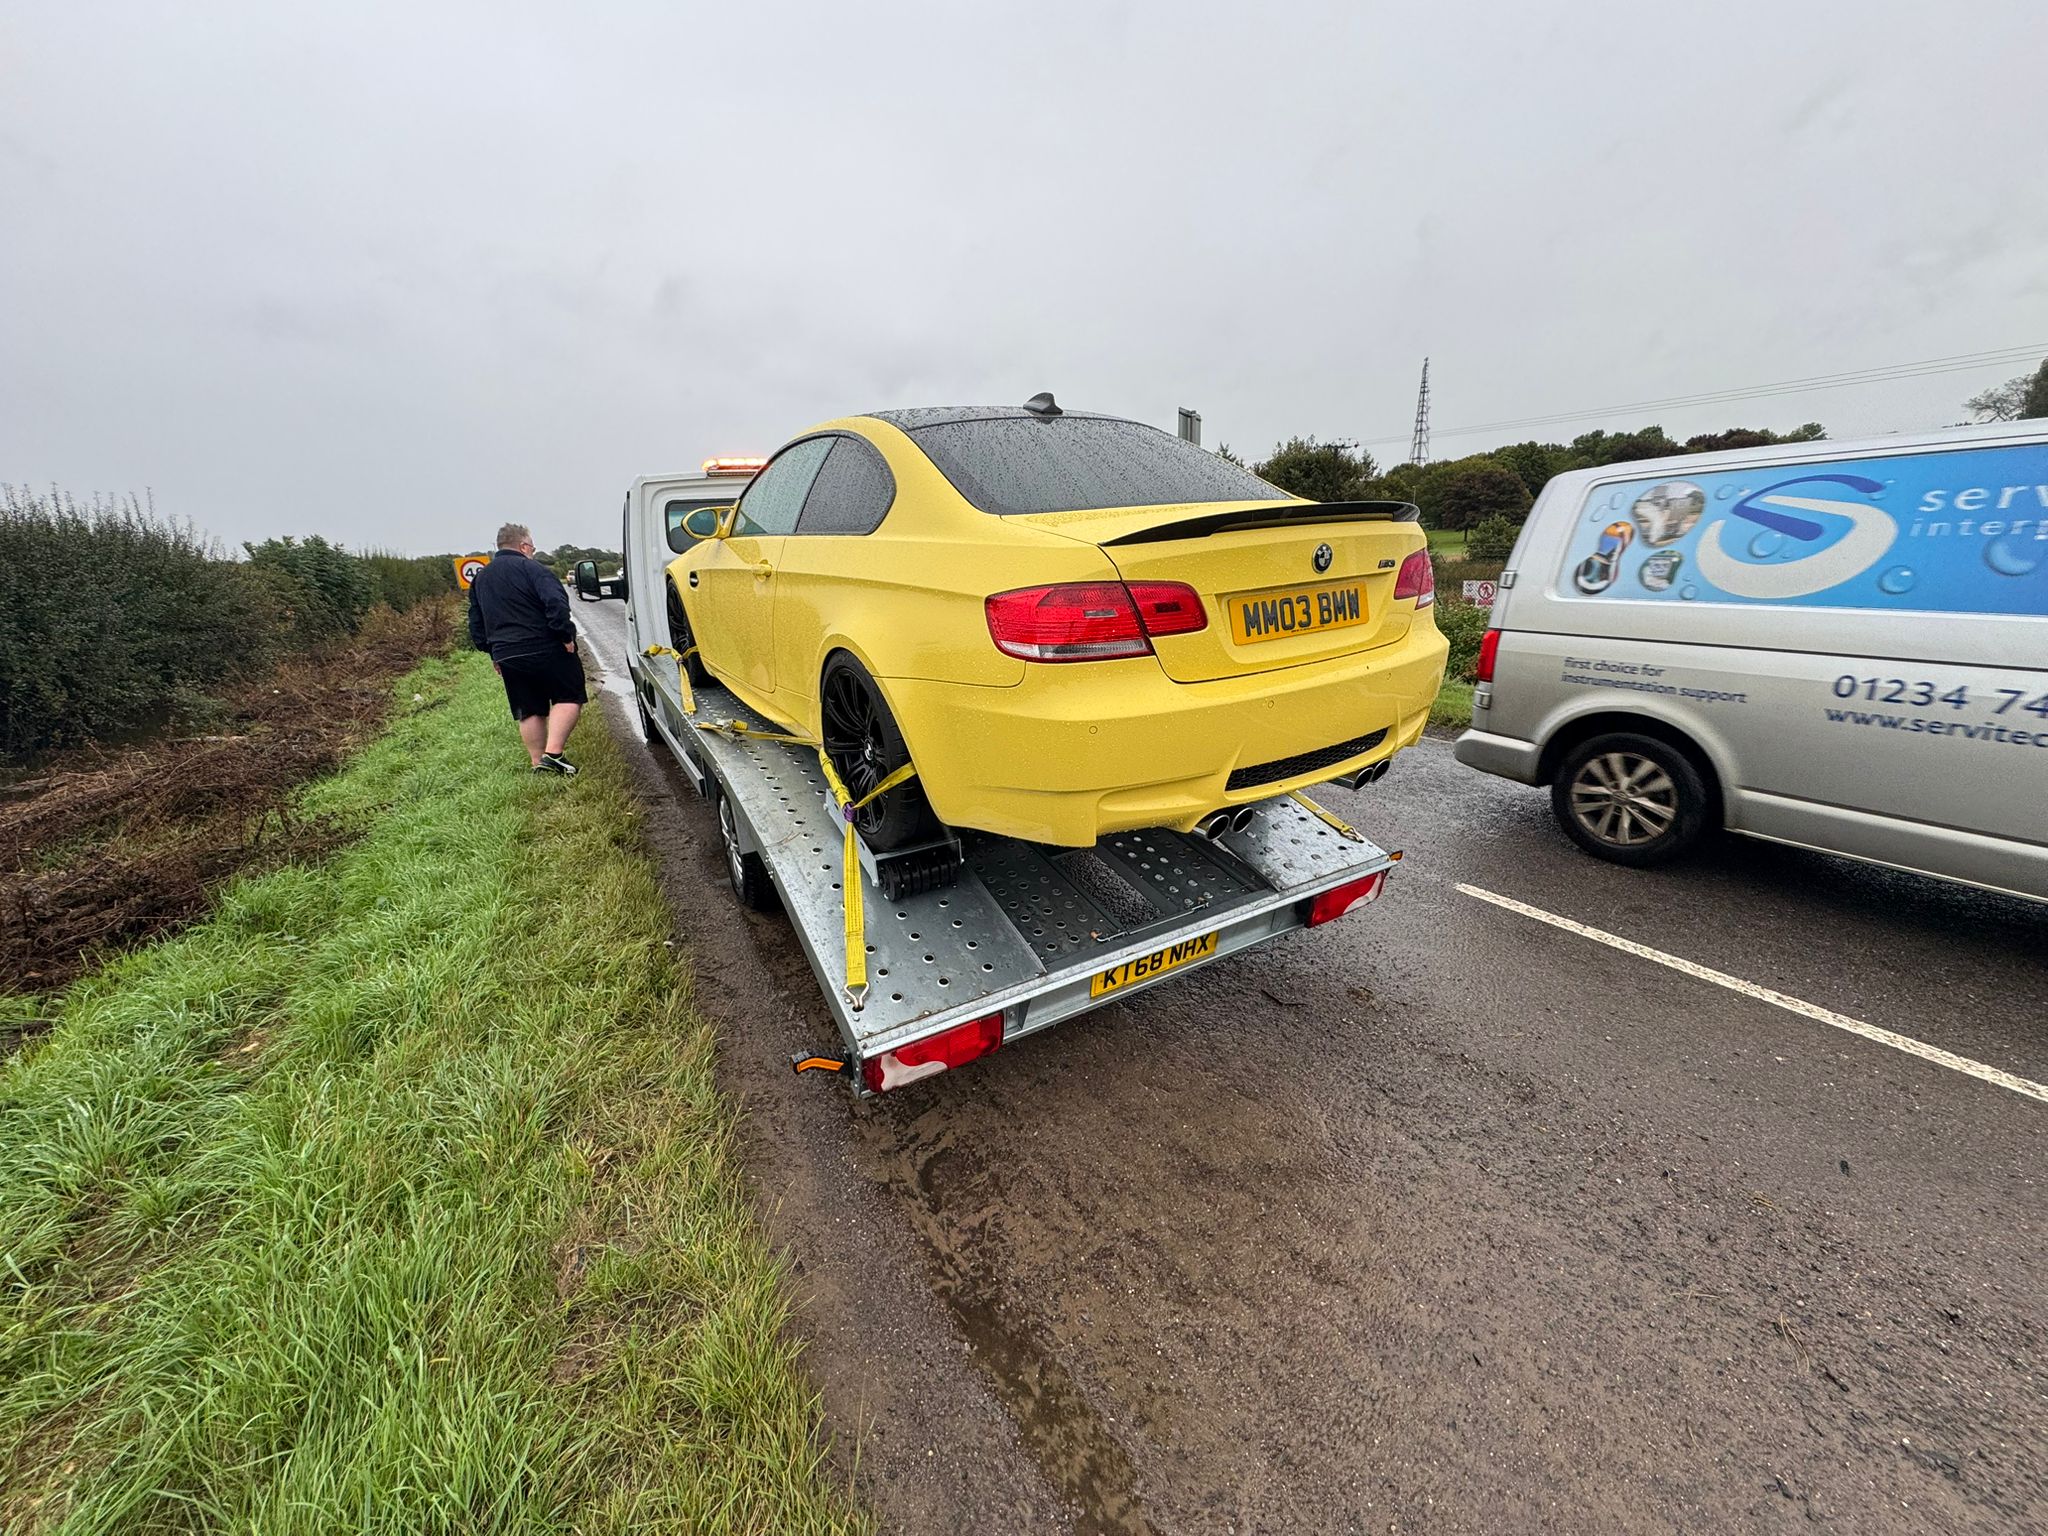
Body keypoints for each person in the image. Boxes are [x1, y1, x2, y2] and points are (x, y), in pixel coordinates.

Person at [466, 523, 586, 775]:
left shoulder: (480, 579)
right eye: (532, 546)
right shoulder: (533, 569)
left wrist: (492, 652)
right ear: (523, 546)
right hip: (546, 645)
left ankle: (537, 762)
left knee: (529, 708)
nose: (532, 550)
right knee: (568, 696)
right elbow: (555, 603)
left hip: (507, 653)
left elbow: (476, 622)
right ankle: (553, 754)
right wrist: (564, 635)